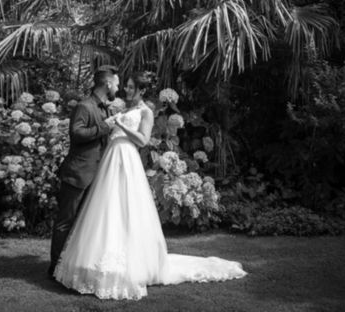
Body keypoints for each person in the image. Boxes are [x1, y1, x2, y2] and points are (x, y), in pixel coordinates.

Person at [53, 72, 247, 300]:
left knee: (126, 209)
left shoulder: (146, 112)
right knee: (107, 211)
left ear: (142, 90)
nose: (126, 90)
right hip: (110, 162)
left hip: (127, 162)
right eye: (125, 86)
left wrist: (121, 126)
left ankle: (131, 264)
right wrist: (115, 122)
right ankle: (91, 261)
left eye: (131, 86)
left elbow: (143, 140)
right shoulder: (121, 109)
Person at [48, 66, 120, 278]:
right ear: (107, 84)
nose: (118, 87)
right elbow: (76, 133)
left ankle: (74, 266)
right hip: (77, 174)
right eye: (116, 83)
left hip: (96, 174)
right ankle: (53, 268)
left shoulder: (105, 108)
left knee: (86, 223)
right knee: (65, 222)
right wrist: (105, 128)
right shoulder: (84, 106)